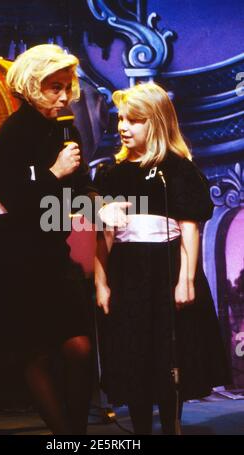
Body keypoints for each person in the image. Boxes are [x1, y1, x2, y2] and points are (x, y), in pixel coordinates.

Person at [94, 82, 230, 435]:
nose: (124, 127)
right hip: (128, 272)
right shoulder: (111, 174)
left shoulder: (178, 170)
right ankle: (140, 429)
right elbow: (103, 236)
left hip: (165, 268)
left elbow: (190, 228)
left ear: (155, 123)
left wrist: (186, 279)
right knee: (134, 351)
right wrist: (101, 282)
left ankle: (172, 425)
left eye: (134, 120)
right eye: (121, 119)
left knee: (170, 353)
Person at [0, 44, 97, 435]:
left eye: (68, 86)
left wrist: (96, 203)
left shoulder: (65, 129)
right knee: (36, 353)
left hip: (53, 253)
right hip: (18, 260)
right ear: (31, 86)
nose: (65, 96)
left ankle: (74, 434)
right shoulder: (10, 136)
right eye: (54, 87)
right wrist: (53, 174)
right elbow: (17, 201)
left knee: (80, 348)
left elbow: (77, 190)